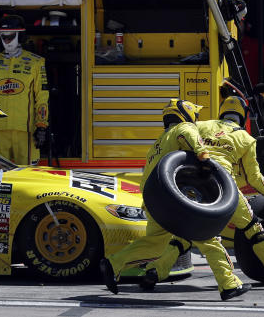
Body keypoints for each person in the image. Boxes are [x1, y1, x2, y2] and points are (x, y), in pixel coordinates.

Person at [101, 99, 251, 301]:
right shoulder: (184, 127)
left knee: (155, 244)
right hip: (174, 202)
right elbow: (189, 137)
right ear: (186, 114)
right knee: (209, 238)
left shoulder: (158, 143)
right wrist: (204, 158)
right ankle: (229, 285)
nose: (196, 119)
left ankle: (113, 264)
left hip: (153, 201)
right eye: (194, 115)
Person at [188, 96, 264, 291]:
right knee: (254, 230)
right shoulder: (246, 138)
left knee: (185, 232)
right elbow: (254, 178)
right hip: (224, 187)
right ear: (244, 115)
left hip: (195, 185)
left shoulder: (201, 125)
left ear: (221, 111)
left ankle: (154, 272)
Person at [0, 15, 49, 165]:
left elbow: (42, 96)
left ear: (21, 36)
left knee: (28, 175)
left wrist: (42, 126)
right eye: (3, 37)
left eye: (11, 37)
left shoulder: (36, 63)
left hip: (25, 131)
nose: (7, 41)